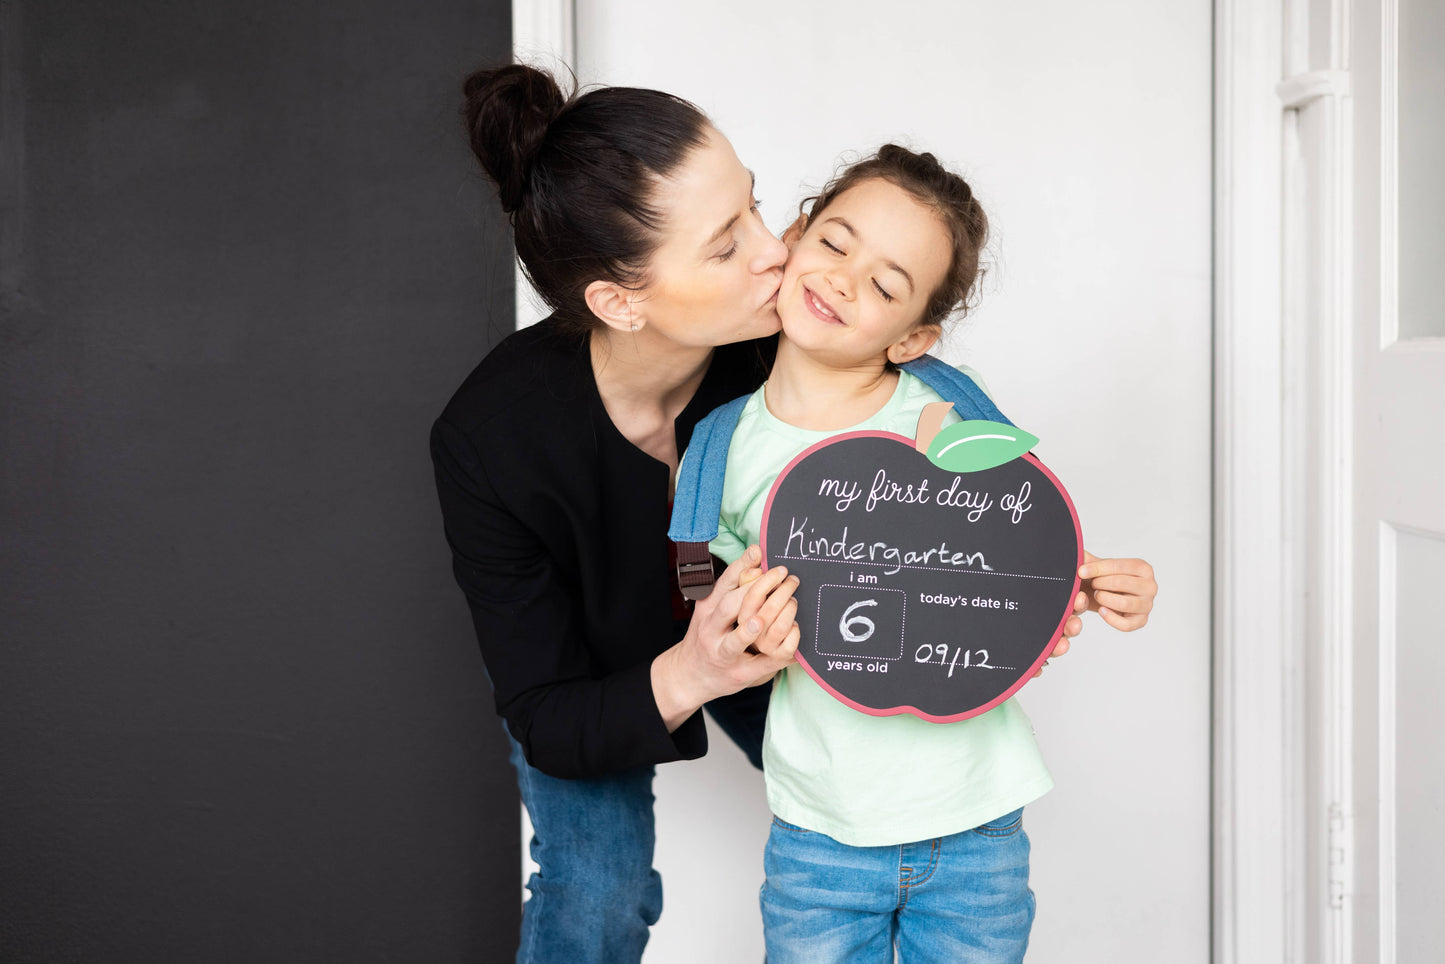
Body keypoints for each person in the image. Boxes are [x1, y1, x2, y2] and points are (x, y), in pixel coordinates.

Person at [430, 64, 1151, 964]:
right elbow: (546, 712)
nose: (777, 251)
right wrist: (695, 667)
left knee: (863, 791)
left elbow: (944, 503)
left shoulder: (802, 336)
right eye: (725, 245)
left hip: (784, 627)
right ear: (620, 302)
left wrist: (1019, 597)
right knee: (598, 888)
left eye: (756, 207)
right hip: (598, 677)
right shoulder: (489, 439)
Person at [681, 145, 1158, 963]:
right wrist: (738, 629)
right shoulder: (722, 448)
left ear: (913, 337)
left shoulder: (951, 423)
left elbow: (1022, 564)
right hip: (819, 830)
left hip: (977, 820)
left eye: (885, 284)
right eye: (834, 243)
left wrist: (1097, 588)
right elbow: (712, 599)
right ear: (794, 235)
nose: (841, 277)